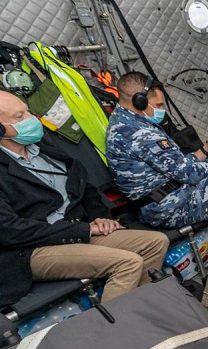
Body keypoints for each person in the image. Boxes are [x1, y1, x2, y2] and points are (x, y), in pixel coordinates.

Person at [0, 91, 169, 304]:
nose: (31, 119)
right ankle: (115, 333)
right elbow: (10, 231)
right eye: (19, 117)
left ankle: (140, 308)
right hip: (33, 249)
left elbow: (83, 184)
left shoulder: (43, 149)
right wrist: (84, 229)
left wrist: (100, 217)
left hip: (77, 228)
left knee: (156, 242)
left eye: (28, 111)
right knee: (128, 263)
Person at [106, 72, 208, 228]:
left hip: (164, 199)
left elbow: (175, 166)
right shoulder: (142, 134)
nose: (161, 111)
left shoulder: (122, 121)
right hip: (170, 208)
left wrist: (205, 151)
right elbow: (191, 174)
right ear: (140, 101)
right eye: (158, 105)